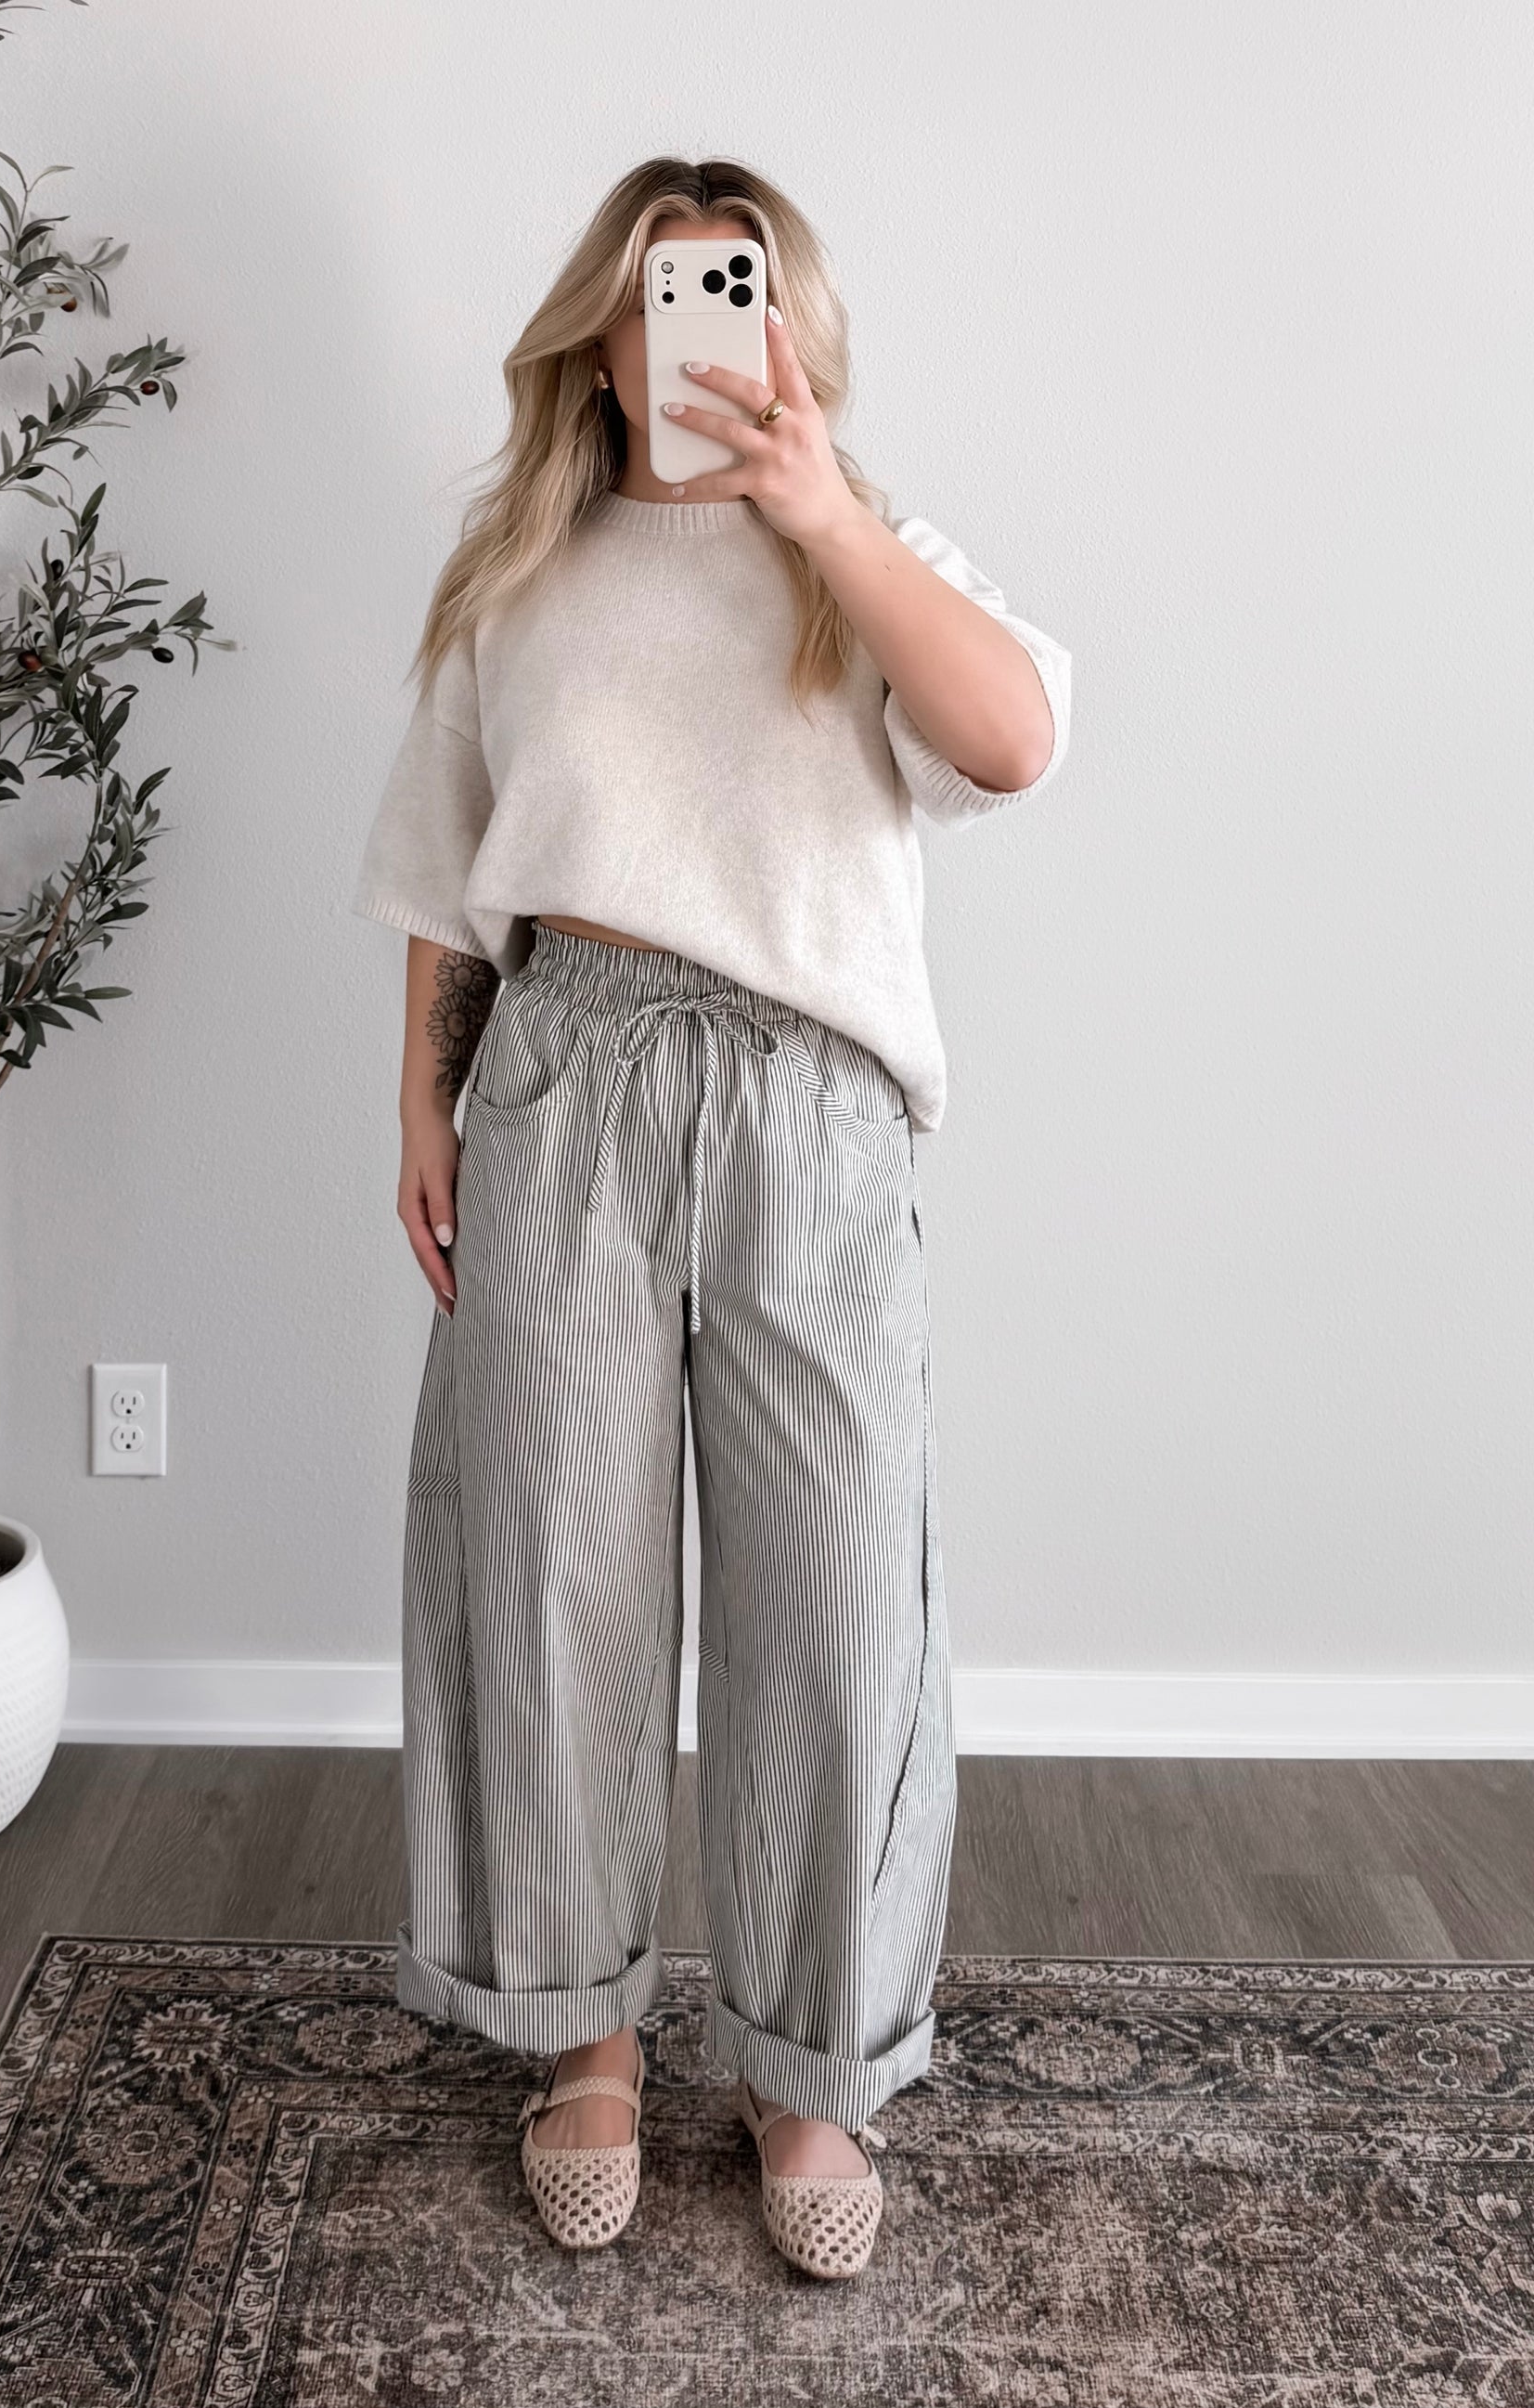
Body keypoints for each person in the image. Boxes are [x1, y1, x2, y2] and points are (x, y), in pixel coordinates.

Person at [351, 155, 1071, 2280]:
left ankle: (804, 2069)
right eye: (657, 293)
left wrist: (825, 517)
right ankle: (582, 2037)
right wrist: (420, 1094)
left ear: (787, 323)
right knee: (552, 1572)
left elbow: (1016, 740)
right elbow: (444, 863)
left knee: (836, 1605)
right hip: (560, 1078)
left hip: (810, 1105)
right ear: (599, 334)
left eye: (730, 290)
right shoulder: (520, 573)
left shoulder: (864, 555)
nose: (690, 330)